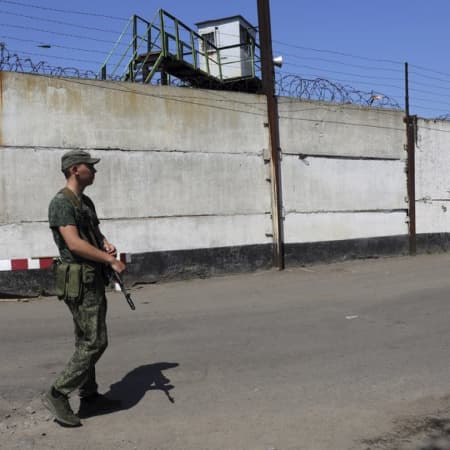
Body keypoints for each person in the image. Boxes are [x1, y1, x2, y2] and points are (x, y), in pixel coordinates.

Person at [42, 150, 126, 427]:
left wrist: (105, 242)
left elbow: (92, 233)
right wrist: (110, 260)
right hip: (79, 280)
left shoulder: (84, 201)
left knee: (85, 340)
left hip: (91, 277)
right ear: (76, 169)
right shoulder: (61, 203)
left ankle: (89, 396)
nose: (95, 171)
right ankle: (58, 393)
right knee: (95, 341)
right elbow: (74, 244)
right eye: (90, 167)